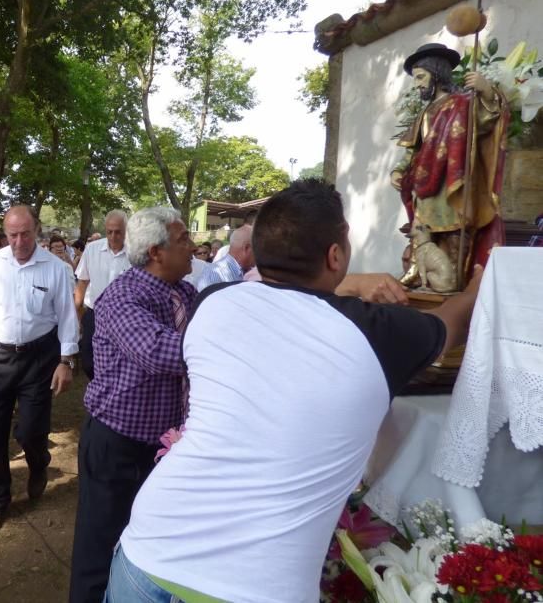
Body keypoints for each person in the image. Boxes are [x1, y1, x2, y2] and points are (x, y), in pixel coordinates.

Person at [107, 179, 481, 603]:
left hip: (149, 551)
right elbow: (452, 321)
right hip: (253, 587)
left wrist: (348, 284)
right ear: (335, 255)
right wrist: (476, 284)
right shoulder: (378, 333)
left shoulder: (211, 302)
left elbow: (280, 297)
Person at [69, 207, 195, 603]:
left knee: (147, 541)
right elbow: (159, 352)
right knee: (100, 543)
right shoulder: (123, 297)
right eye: (183, 240)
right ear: (157, 252)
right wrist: (225, 346)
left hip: (163, 447)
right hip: (117, 445)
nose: (193, 246)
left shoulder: (185, 292)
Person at [0, 205, 79, 536]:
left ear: (37, 231)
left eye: (25, 234)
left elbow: (68, 317)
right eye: (11, 235)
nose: (18, 241)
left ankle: (38, 462)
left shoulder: (55, 268)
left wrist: (66, 360)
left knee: (31, 430)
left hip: (40, 359)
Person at [391, 42, 508, 279]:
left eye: (421, 77)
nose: (417, 84)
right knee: (422, 232)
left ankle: (453, 276)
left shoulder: (463, 103)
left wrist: (486, 91)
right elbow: (414, 148)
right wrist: (399, 170)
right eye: (415, 79)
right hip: (425, 185)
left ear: (436, 73)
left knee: (453, 231)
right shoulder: (425, 112)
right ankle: (419, 275)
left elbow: (488, 121)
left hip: (453, 182)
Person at [74, 210, 129, 381]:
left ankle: (114, 393)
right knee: (88, 362)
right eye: (109, 231)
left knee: (121, 361)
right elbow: (82, 283)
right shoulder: (92, 249)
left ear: (126, 230)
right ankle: (99, 386)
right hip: (94, 314)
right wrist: (77, 314)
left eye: (118, 231)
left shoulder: (136, 253)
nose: (113, 236)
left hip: (125, 317)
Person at [197, 223, 254, 291]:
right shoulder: (214, 274)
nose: (259, 254)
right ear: (247, 248)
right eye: (257, 248)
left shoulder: (251, 271)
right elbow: (206, 300)